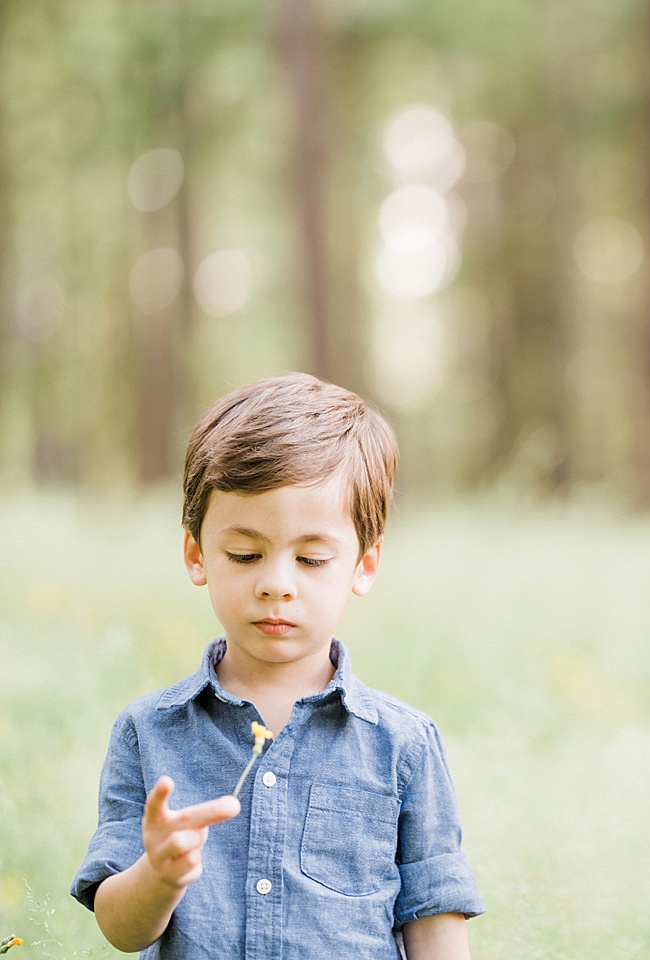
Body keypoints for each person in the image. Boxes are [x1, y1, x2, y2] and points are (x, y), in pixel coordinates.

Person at [71, 373, 484, 959]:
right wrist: (157, 877)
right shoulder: (148, 732)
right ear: (197, 554)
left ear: (364, 565)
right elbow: (120, 928)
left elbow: (436, 925)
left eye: (312, 559)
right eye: (245, 554)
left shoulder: (404, 744)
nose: (276, 585)